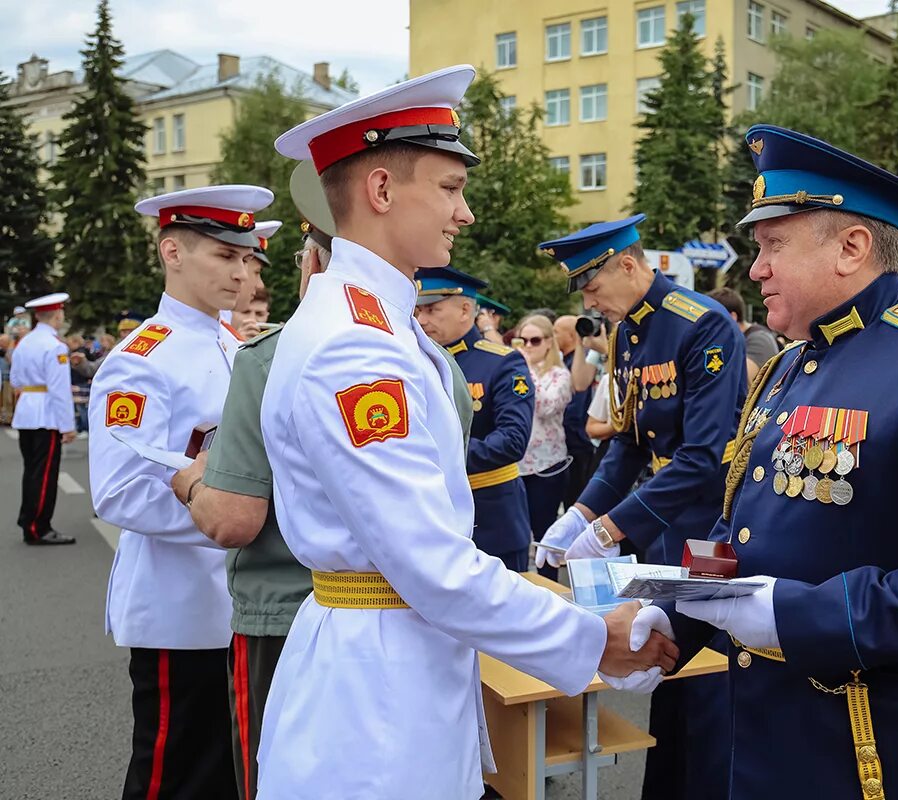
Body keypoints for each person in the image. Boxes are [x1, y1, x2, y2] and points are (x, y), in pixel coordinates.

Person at [260, 66, 676, 800]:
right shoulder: (356, 346)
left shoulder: (375, 325)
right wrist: (590, 636)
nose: (466, 213)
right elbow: (430, 563)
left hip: (396, 657)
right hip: (379, 691)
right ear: (381, 191)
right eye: (450, 188)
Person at [654, 125, 898, 800]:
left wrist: (796, 618)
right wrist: (678, 607)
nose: (756, 268)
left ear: (852, 248)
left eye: (773, 245)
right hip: (766, 733)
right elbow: (737, 531)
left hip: (877, 747)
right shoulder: (785, 365)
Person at [169, 162, 480, 799]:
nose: (463, 211)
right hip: (418, 622)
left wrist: (190, 482)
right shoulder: (433, 361)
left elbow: (234, 518)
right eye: (450, 189)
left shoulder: (285, 351)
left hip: (291, 615)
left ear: (313, 266)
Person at [537, 214, 747, 800]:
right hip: (660, 532)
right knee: (667, 668)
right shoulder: (628, 333)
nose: (587, 298)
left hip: (713, 535)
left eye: (591, 283)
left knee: (710, 682)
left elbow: (704, 458)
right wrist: (580, 513)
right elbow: (628, 445)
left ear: (627, 265)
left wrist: (607, 527)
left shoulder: (701, 325)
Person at [88, 184, 274, 800]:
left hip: (238, 600)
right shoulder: (141, 361)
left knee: (227, 772)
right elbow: (118, 492)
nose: (242, 271)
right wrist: (225, 512)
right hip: (180, 607)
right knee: (173, 775)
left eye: (247, 258)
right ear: (173, 251)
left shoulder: (232, 344)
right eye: (225, 256)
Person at [414, 267, 537, 572]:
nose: (421, 319)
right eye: (416, 310)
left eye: (432, 309)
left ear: (465, 308)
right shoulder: (414, 360)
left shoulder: (501, 362)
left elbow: (512, 439)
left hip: (492, 516)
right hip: (431, 515)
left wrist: (439, 459)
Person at [11, 292, 77, 545]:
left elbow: (16, 381)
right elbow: (59, 390)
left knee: (31, 471)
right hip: (46, 414)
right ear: (57, 315)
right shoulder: (54, 346)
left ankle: (28, 518)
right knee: (44, 474)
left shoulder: (24, 343)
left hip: (26, 411)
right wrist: (68, 426)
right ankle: (39, 526)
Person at [513, 313, 573, 577]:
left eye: (534, 340)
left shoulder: (559, 374)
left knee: (546, 535)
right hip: (516, 464)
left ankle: (550, 589)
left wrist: (526, 371)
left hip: (547, 465)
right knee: (515, 533)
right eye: (521, 340)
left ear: (549, 342)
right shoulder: (514, 371)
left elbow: (547, 406)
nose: (527, 346)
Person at [553, 314, 598, 508]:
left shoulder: (588, 359)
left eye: (556, 332)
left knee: (577, 498)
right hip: (574, 441)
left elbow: (576, 402)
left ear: (572, 336)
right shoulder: (564, 360)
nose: (552, 336)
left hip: (579, 442)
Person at [707, 285, 781, 381]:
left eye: (711, 319)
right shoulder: (738, 339)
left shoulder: (759, 340)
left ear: (731, 317)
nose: (708, 325)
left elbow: (738, 380)